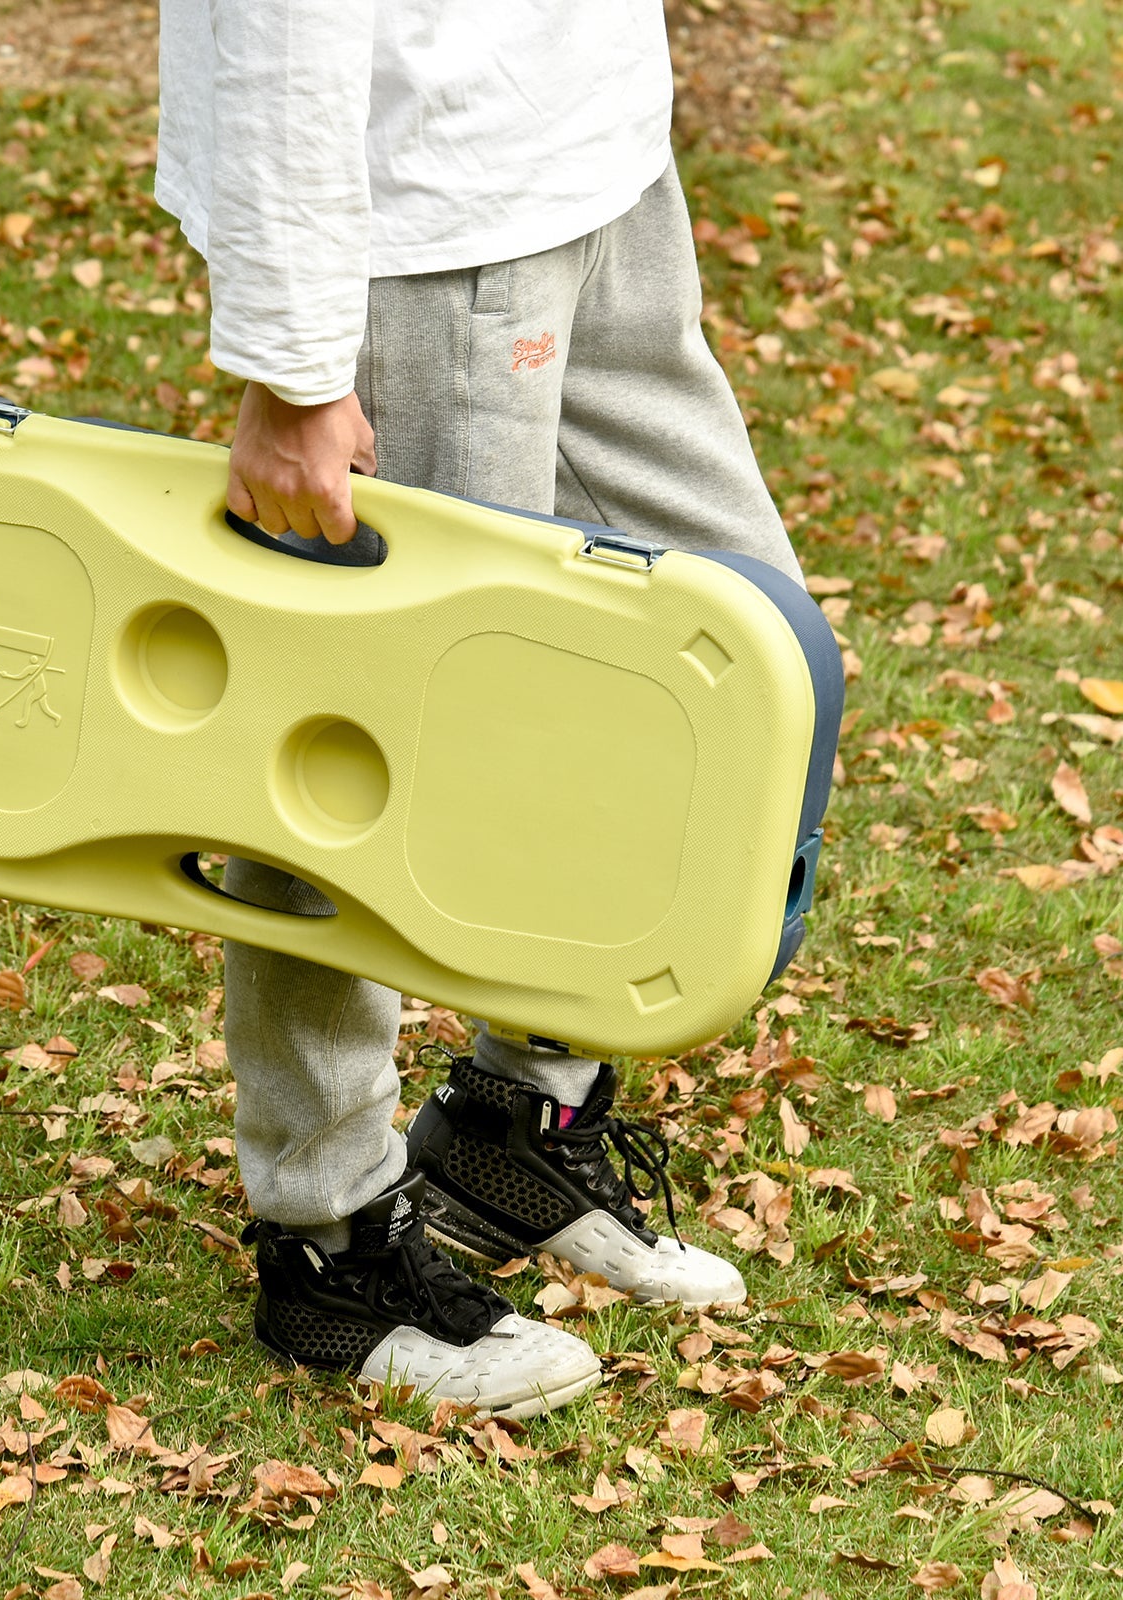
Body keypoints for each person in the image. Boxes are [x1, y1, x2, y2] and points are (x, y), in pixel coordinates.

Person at [155, 0, 803, 1418]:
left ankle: (517, 1121)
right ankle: (330, 1243)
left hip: (592, 155)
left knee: (736, 655)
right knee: (353, 752)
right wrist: (296, 361)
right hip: (416, 215)